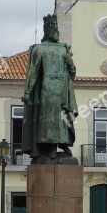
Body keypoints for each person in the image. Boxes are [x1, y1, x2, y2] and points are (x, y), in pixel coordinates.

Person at [22, 13, 78, 164]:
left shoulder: (64, 49)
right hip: (47, 88)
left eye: (56, 26)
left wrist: (70, 62)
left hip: (63, 89)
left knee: (64, 119)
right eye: (52, 27)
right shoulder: (39, 49)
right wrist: (28, 91)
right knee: (49, 120)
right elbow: (34, 71)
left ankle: (63, 144)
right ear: (46, 30)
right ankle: (51, 148)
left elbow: (72, 74)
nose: (55, 29)